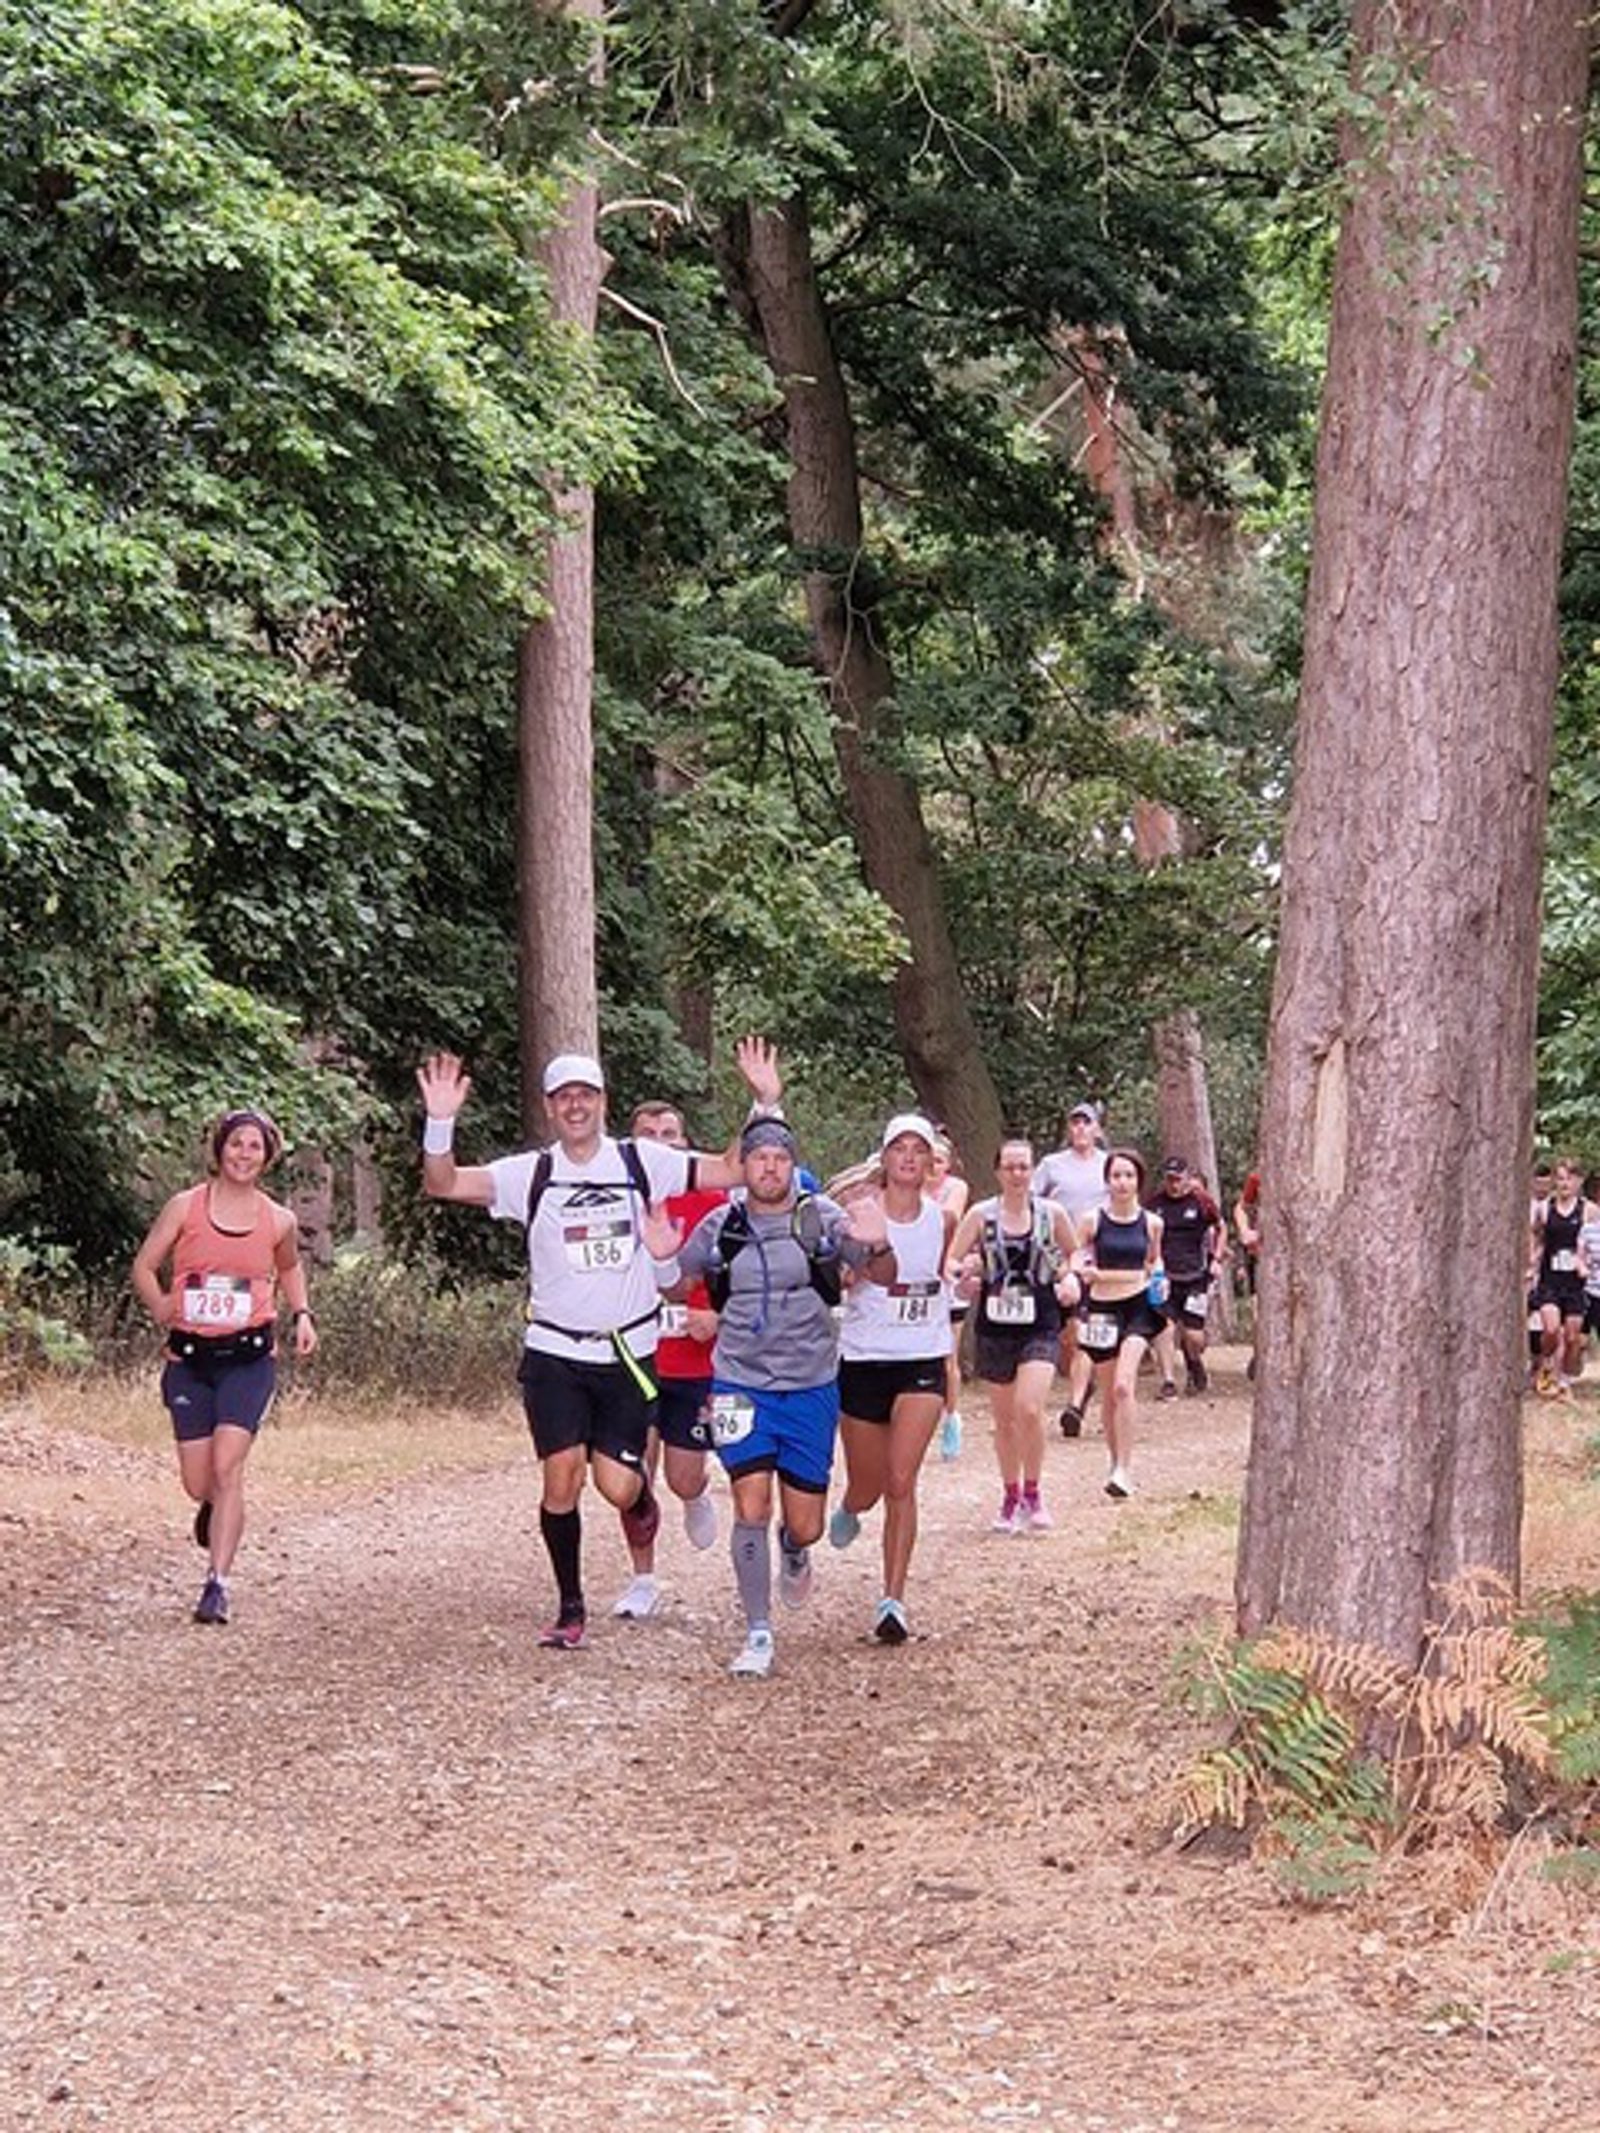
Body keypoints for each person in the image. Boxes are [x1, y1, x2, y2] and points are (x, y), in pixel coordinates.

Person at [417, 1037, 780, 1648]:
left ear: (603, 1102)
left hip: (625, 1354)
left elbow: (731, 1169)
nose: (576, 1106)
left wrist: (764, 1105)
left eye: (585, 1094)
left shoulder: (642, 1162)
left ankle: (641, 1504)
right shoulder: (531, 1173)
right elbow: (444, 1183)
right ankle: (570, 1607)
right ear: (550, 1107)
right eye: (564, 1097)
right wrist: (440, 1120)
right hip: (555, 1351)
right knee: (560, 1479)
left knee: (616, 1485)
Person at [650, 1118, 893, 1678]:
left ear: (792, 1165)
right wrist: (664, 1257)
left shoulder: (821, 1217)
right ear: (746, 1166)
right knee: (750, 1504)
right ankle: (757, 1630)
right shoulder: (722, 1224)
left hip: (809, 1383)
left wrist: (877, 1239)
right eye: (758, 1158)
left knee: (804, 1521)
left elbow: (876, 1272)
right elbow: (677, 1286)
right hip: (739, 1382)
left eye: (779, 1159)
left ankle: (795, 1544)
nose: (768, 1167)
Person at [131, 1107, 318, 1625]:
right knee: (199, 1482)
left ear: (268, 1156)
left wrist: (302, 1313)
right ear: (220, 1149)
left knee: (227, 1466)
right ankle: (216, 1510)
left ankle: (217, 1584)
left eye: (254, 1146)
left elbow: (289, 1266)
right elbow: (144, 1266)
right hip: (190, 1359)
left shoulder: (277, 1218)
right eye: (236, 1144)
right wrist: (161, 1304)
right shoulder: (185, 1207)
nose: (243, 1154)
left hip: (248, 1358)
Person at [828, 1115, 957, 1642]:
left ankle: (893, 1600)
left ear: (931, 1162)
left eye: (918, 1149)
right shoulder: (855, 1215)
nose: (908, 1157)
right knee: (870, 1484)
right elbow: (839, 1280)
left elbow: (936, 1276)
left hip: (921, 1358)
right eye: (898, 1148)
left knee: (902, 1480)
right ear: (883, 1159)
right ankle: (851, 1505)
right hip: (862, 1358)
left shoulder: (943, 1219)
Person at [609, 1100, 724, 1620]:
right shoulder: (614, 1200)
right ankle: (643, 1577)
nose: (659, 1141)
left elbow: (736, 1275)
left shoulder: (713, 1202)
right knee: (633, 1476)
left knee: (681, 1478)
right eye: (648, 1134)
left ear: (685, 1143)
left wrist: (714, 1316)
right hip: (634, 1359)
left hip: (694, 1363)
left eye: (670, 1133)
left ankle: (697, 1494)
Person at [945, 1137, 1081, 1534]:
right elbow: (951, 1261)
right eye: (1011, 1167)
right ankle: (1010, 1494)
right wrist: (964, 1276)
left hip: (1040, 1320)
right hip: (994, 1325)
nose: (1018, 1175)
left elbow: (1077, 1254)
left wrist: (1071, 1277)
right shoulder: (981, 1215)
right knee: (1004, 1420)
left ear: (1033, 1171)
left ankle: (1034, 1493)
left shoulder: (1051, 1214)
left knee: (1029, 1409)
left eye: (1024, 1167)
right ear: (998, 1172)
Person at [1075, 1149, 1165, 1499]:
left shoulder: (1152, 1223)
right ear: (1107, 1181)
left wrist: (1159, 1280)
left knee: (1125, 1386)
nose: (1122, 1182)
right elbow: (1078, 1254)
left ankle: (1126, 1468)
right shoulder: (1092, 1220)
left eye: (1129, 1175)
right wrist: (1080, 1270)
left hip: (1138, 1307)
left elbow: (1154, 1262)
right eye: (1116, 1176)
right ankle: (1115, 1463)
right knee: (1110, 1391)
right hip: (1102, 1308)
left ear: (1139, 1180)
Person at [1035, 1102, 1107, 1438]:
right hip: (1056, 1261)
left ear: (1097, 1128)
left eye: (1086, 1123)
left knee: (1083, 1333)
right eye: (1075, 1123)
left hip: (1096, 1261)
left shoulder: (1110, 1165)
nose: (1080, 1128)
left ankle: (1075, 1404)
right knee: (1065, 1337)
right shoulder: (1052, 1165)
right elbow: (1032, 1203)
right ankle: (1081, 1386)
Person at [1149, 1155, 1225, 1397]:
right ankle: (1168, 1381)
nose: (1173, 1184)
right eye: (1169, 1179)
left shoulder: (1201, 1203)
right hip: (1166, 1276)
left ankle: (1194, 1362)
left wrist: (1217, 1258)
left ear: (1186, 1178)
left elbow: (1221, 1227)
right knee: (1165, 1327)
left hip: (1196, 1276)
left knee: (1193, 1336)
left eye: (1178, 1179)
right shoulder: (1155, 1204)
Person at [1530, 1158, 1595, 1394]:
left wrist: (1588, 1264)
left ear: (1578, 1181)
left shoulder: (1588, 1210)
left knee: (1572, 1336)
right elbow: (1537, 1238)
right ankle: (1546, 1362)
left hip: (1576, 1283)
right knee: (1550, 1329)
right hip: (1550, 1279)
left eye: (1569, 1178)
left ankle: (1564, 1379)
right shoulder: (1545, 1208)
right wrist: (1532, 1263)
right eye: (1560, 1178)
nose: (1564, 1183)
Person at [927, 1132, 970, 1458]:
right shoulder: (906, 1187)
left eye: (939, 1161)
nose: (932, 1167)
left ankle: (951, 1418)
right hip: (917, 1280)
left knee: (947, 1356)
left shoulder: (956, 1188)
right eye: (929, 1160)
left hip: (948, 1278)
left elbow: (950, 1219)